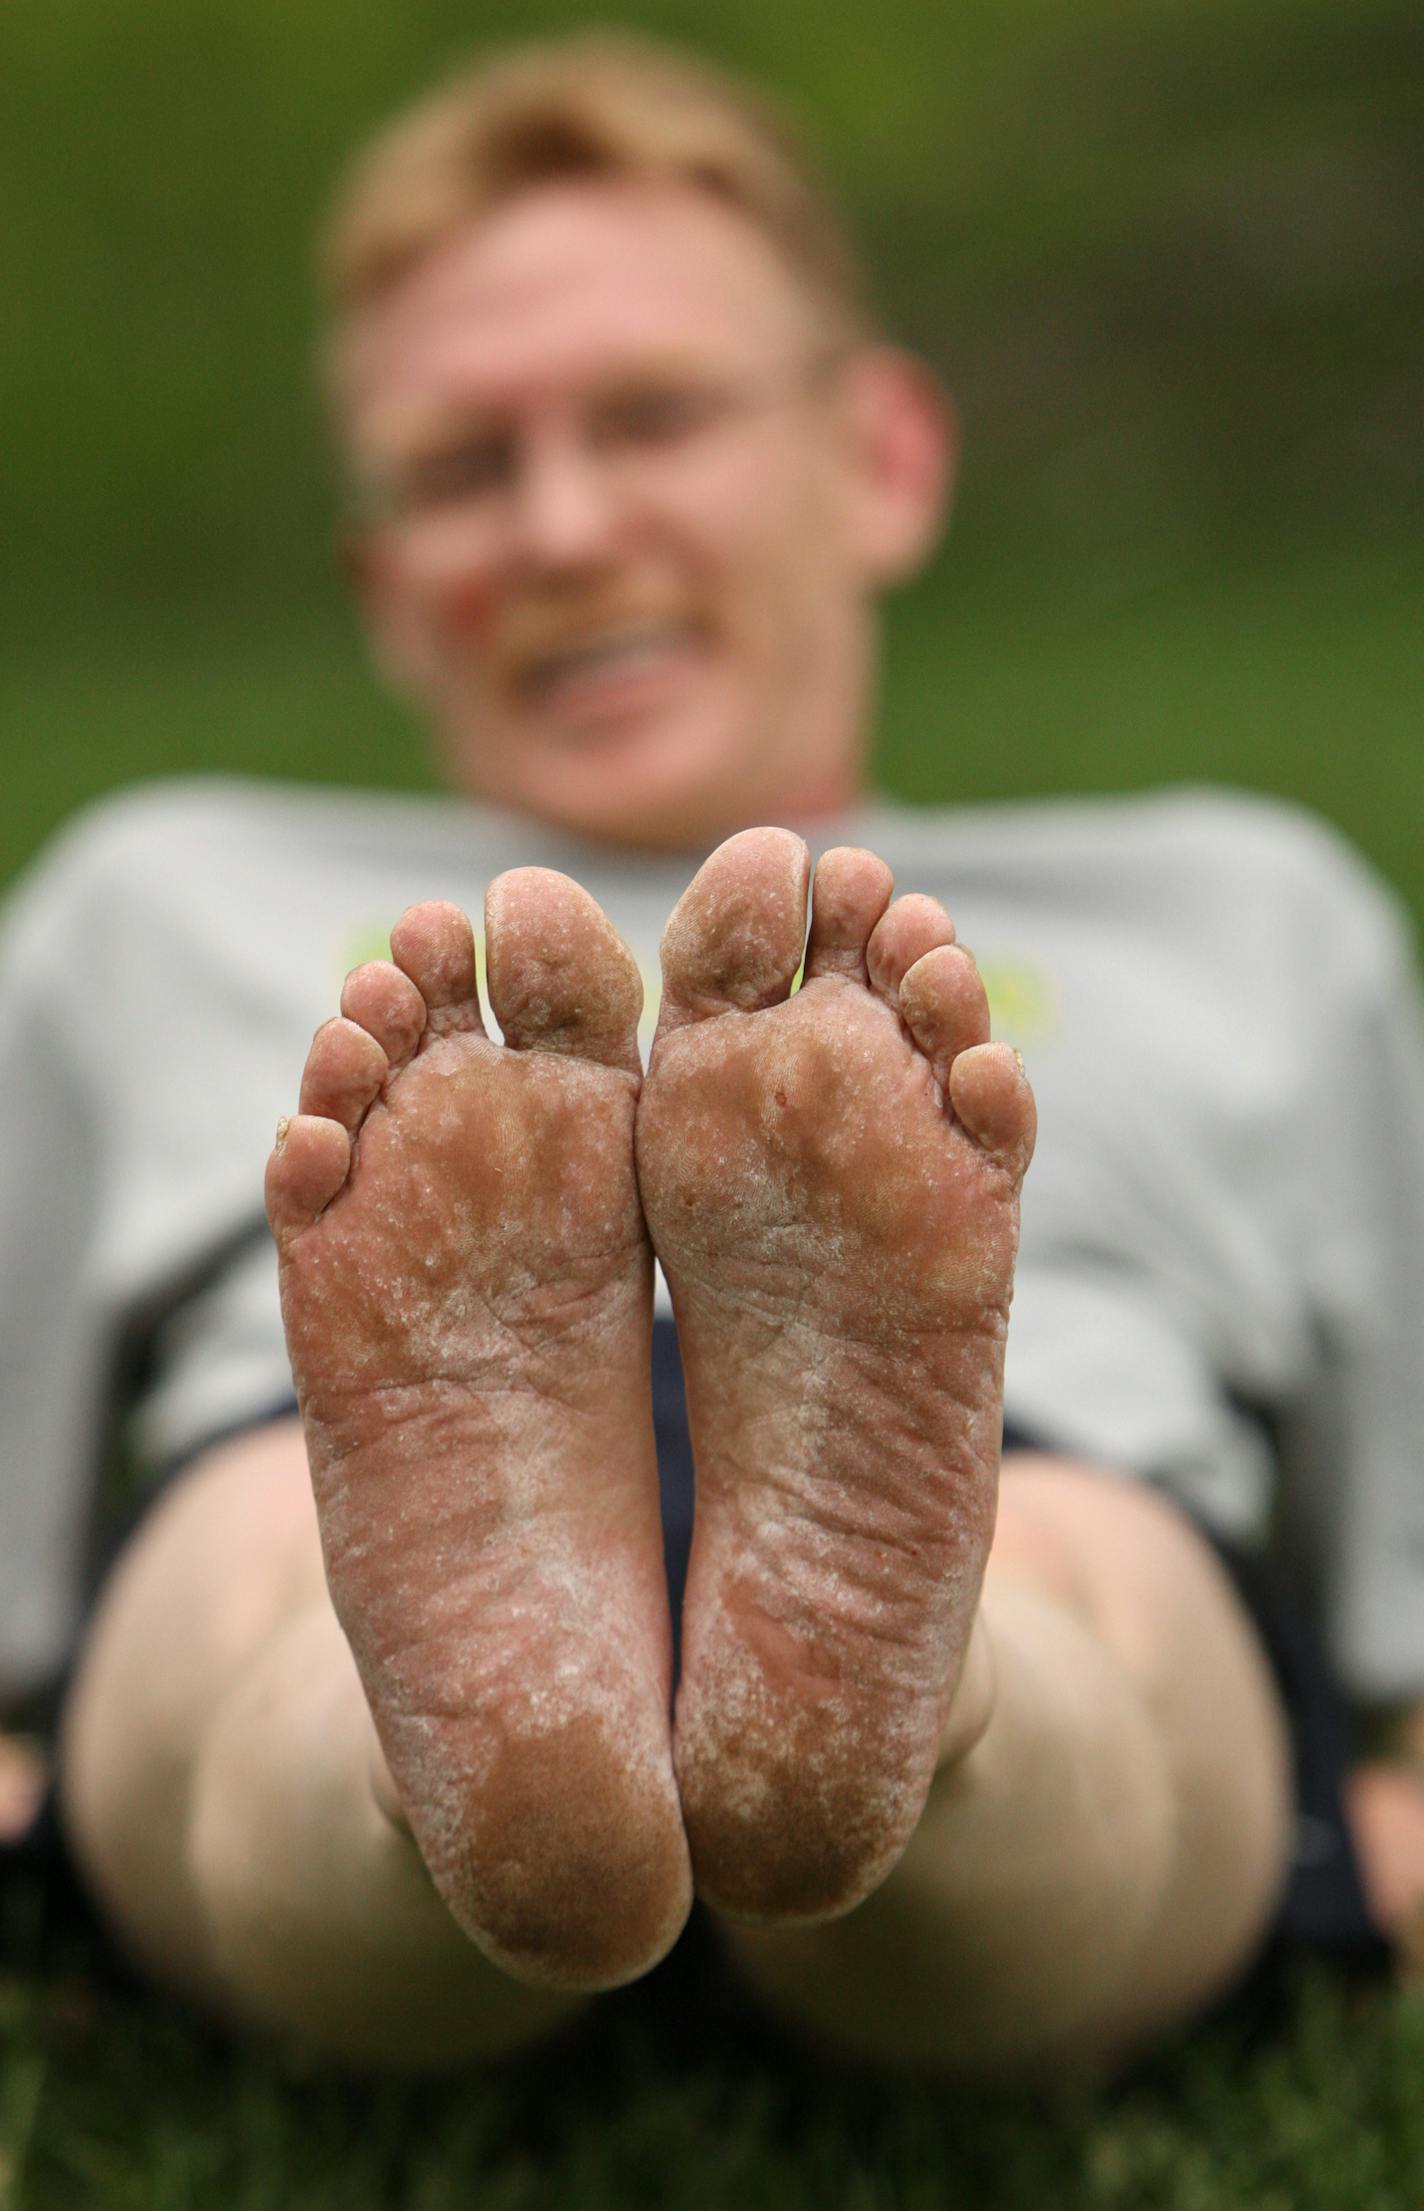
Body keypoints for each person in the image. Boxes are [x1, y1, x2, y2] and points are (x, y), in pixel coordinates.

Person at [2, 32, 1423, 2076]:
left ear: (883, 459)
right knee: (265, 1581)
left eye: (652, 415)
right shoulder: (164, 895)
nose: (563, 523)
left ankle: (891, 1710)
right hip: (368, 1487)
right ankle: (475, 1767)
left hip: (1008, 1473)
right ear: (380, 583)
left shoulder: (1234, 909)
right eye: (461, 466)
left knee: (1073, 1578)